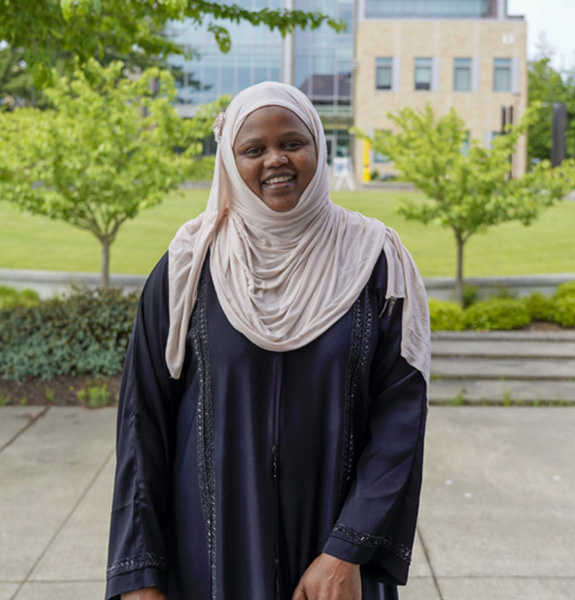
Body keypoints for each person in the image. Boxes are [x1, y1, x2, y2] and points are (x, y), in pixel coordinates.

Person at [105, 81, 430, 600]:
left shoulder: (376, 261)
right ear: (230, 162)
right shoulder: (190, 265)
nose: (275, 159)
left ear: (318, 147)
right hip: (209, 553)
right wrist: (139, 575)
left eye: (292, 143)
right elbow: (142, 423)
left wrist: (348, 549)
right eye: (253, 149)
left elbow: (400, 420)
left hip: (335, 562)